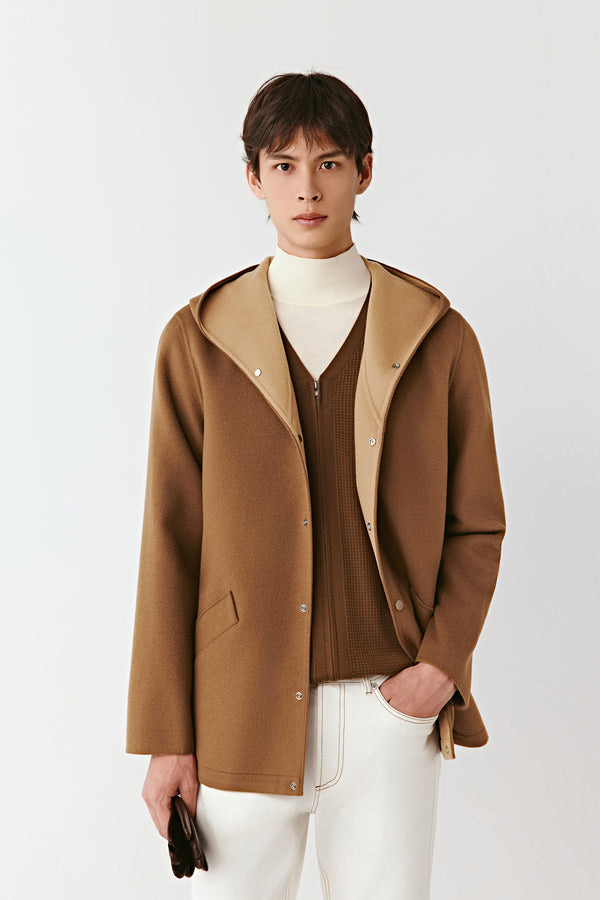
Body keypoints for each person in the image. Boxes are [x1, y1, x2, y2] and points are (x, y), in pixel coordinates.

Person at [127, 71, 506, 899]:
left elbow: (477, 527)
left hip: (390, 715)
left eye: (329, 163)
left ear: (364, 172)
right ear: (253, 177)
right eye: (284, 165)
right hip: (237, 715)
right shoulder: (198, 340)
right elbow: (170, 542)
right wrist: (166, 736)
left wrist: (438, 671)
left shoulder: (437, 335)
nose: (307, 188)